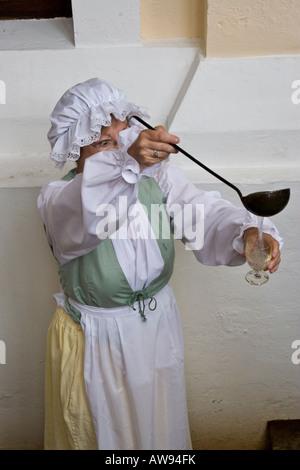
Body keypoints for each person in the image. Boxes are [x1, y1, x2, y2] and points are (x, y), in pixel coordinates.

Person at [37, 77, 282, 450]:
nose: (117, 149)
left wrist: (245, 231)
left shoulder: (156, 178)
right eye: (103, 143)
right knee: (109, 436)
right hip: (99, 338)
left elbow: (199, 212)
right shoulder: (58, 198)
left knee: (158, 433)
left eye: (121, 138)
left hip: (158, 325)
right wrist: (127, 160)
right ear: (76, 150)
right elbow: (86, 215)